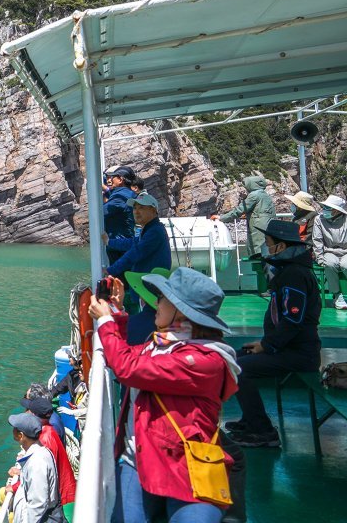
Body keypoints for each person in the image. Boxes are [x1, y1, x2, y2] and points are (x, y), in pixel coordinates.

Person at [89, 267, 239, 523]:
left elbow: (129, 368)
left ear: (182, 311)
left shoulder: (205, 361)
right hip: (141, 459)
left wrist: (104, 322)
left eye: (163, 297)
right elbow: (128, 357)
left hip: (188, 469)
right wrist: (117, 314)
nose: (156, 302)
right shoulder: (162, 345)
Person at [226, 219, 321, 448]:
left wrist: (267, 346)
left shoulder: (295, 275)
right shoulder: (290, 271)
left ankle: (263, 431)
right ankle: (251, 420)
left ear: (281, 247)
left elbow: (292, 320)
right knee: (231, 359)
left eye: (269, 243)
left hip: (300, 354)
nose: (266, 248)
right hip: (286, 348)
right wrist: (266, 343)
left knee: (239, 368)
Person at [105, 192, 172, 344]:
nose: (136, 211)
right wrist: (110, 242)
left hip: (150, 290)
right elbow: (132, 244)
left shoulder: (155, 231)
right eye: (135, 208)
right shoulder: (148, 229)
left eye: (142, 207)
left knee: (146, 323)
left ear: (154, 211)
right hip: (146, 287)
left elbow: (136, 253)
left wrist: (111, 271)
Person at [6, 411, 68, 523]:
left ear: (21, 435)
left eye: (14, 428)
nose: (12, 430)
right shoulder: (40, 452)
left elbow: (38, 504)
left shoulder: (37, 463)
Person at [22, 396, 77, 510]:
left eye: (29, 412)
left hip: (63, 499)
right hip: (66, 493)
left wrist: (15, 485)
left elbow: (41, 473)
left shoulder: (45, 439)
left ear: (35, 416)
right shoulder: (50, 430)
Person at [214, 176, 276, 260]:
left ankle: (259, 267)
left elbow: (239, 210)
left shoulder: (254, 195)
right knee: (266, 248)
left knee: (257, 251)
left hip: (258, 227)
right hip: (268, 226)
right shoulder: (264, 195)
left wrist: (221, 218)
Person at [311, 194, 347, 309]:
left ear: (336, 210)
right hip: (329, 251)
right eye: (324, 207)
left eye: (327, 208)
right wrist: (319, 257)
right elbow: (317, 240)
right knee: (329, 264)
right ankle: (337, 294)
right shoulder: (319, 220)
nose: (324, 210)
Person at [103, 166, 138, 265]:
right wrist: (105, 190)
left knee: (120, 276)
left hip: (119, 246)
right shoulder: (128, 193)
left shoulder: (120, 197)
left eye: (113, 177)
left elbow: (101, 213)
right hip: (125, 242)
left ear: (120, 179)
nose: (109, 179)